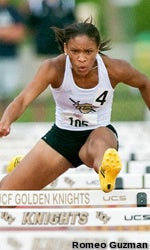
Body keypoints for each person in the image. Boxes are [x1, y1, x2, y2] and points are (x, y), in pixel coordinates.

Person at [0, 18, 150, 193]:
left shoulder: (114, 69)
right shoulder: (53, 68)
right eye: (75, 51)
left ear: (98, 48)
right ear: (65, 49)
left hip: (98, 133)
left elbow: (144, 83)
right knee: (6, 195)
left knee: (101, 144)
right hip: (62, 138)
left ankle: (105, 169)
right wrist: (6, 120)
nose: (82, 59)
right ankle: (24, 167)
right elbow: (23, 99)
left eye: (88, 52)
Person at [0, 0, 25, 113]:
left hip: (10, 56)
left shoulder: (13, 12)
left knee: (9, 90)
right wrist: (9, 31)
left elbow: (19, 34)